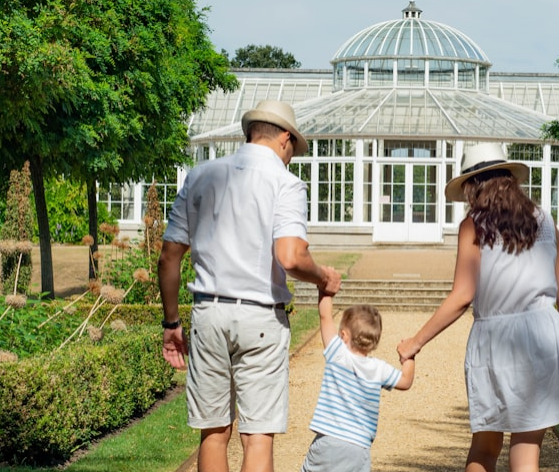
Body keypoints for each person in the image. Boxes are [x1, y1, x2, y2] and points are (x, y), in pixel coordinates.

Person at [157, 100, 342, 472]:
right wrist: (323, 276)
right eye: (292, 151)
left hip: (209, 313)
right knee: (257, 437)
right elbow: (290, 256)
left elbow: (168, 257)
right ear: (285, 138)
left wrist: (171, 323)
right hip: (260, 317)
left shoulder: (200, 175)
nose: (290, 159)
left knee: (213, 433)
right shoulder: (285, 183)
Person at [397, 142, 559, 472]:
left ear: (473, 186)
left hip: (496, 341)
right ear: (510, 180)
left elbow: (462, 297)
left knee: (485, 447)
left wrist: (414, 343)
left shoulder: (473, 225)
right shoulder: (546, 221)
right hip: (544, 337)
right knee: (527, 449)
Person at [301, 293, 415, 472]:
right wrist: (409, 355)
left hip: (329, 441)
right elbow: (406, 381)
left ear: (343, 335)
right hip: (358, 448)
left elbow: (325, 317)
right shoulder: (379, 368)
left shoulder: (338, 354)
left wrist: (325, 290)